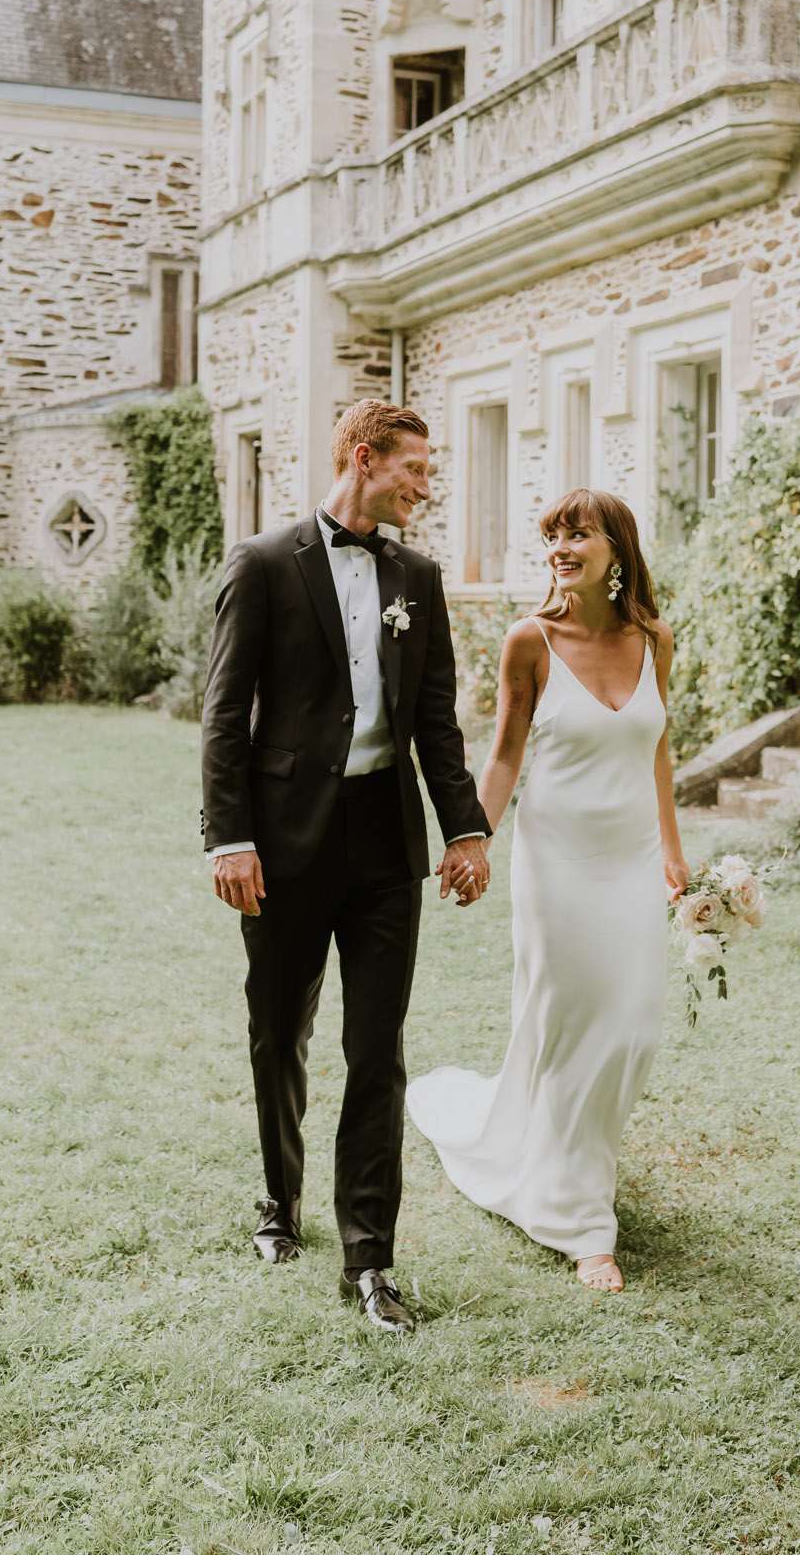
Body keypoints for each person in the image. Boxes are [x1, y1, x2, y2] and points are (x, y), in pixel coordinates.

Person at [200, 399, 490, 1335]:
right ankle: (279, 1200)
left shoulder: (420, 575)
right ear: (363, 460)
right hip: (282, 842)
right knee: (278, 1030)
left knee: (378, 1053)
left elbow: (436, 720)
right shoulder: (261, 563)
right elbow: (223, 714)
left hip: (382, 843)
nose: (427, 485)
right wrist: (228, 837)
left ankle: (369, 1259)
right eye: (415, 468)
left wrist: (465, 828)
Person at [407, 489, 689, 1294]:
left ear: (616, 551)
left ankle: (558, 1159)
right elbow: (502, 756)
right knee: (570, 1026)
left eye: (578, 534)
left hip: (631, 860)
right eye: (552, 536)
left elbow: (659, 750)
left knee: (631, 1029)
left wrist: (672, 852)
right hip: (556, 862)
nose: (561, 547)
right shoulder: (529, 641)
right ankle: (579, 1220)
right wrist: (473, 837)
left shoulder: (654, 640)